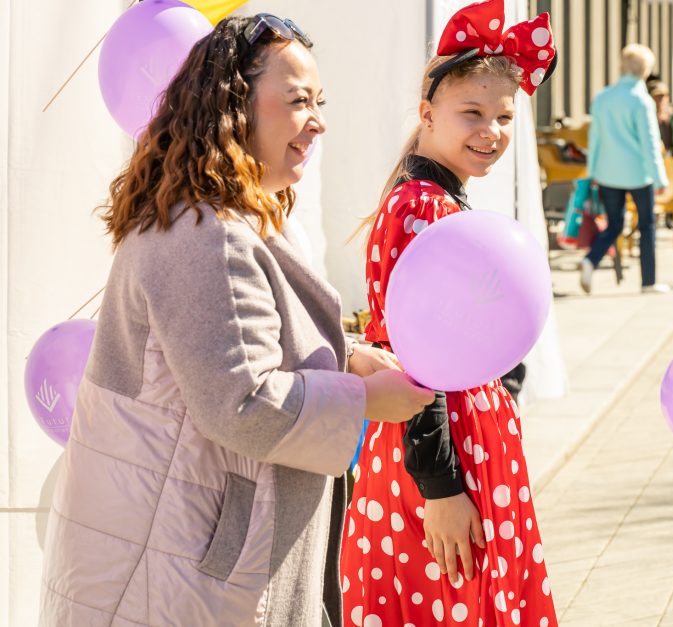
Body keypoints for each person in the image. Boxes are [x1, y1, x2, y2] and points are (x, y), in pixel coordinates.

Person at [39, 15, 435, 627]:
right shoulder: (207, 237)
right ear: (234, 106)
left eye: (319, 101)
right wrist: (362, 400)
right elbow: (241, 403)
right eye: (299, 100)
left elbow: (241, 346)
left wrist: (346, 353)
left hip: (176, 561)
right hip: (178, 573)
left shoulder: (213, 218)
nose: (319, 120)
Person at [339, 2, 559, 625]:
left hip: (469, 440)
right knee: (447, 603)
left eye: (503, 116)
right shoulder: (419, 210)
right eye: (472, 113)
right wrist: (440, 488)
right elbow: (417, 357)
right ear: (428, 114)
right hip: (438, 453)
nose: (490, 130)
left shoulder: (440, 203)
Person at [581, 44, 669, 295]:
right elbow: (650, 142)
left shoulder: (603, 97)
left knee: (614, 225)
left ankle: (591, 260)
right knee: (647, 226)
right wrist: (660, 178)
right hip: (638, 174)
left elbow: (594, 139)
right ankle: (648, 281)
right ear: (645, 70)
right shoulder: (641, 101)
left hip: (607, 173)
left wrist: (591, 172)